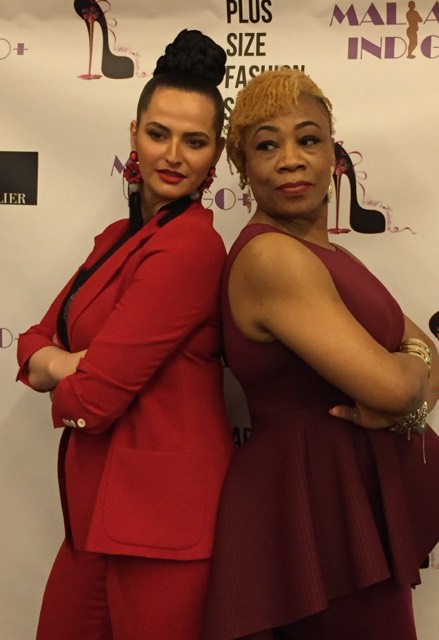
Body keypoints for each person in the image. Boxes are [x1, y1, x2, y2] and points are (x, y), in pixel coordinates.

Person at [201, 68, 439, 640]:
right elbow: (398, 385)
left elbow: (425, 355)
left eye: (308, 139)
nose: (291, 160)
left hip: (348, 504)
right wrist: (405, 386)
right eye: (267, 146)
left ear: (334, 155)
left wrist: (409, 377)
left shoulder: (331, 256)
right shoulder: (271, 258)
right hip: (310, 511)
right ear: (243, 167)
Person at [16, 29, 234, 640]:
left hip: (162, 525)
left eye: (195, 141)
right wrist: (64, 362)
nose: (173, 155)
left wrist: (63, 368)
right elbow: (31, 343)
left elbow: (94, 398)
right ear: (134, 133)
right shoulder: (116, 238)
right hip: (92, 517)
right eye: (159, 133)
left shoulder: (192, 246)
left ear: (216, 153)